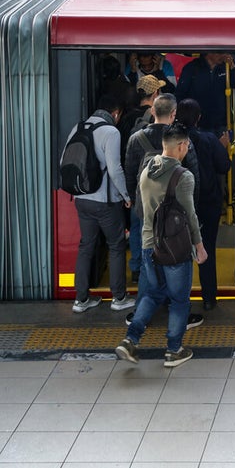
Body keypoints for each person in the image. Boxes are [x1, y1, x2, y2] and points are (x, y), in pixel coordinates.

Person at [115, 122, 208, 368]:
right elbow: (190, 215)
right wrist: (199, 246)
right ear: (181, 146)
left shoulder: (146, 170)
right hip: (175, 248)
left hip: (149, 244)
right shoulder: (183, 176)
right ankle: (173, 350)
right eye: (187, 145)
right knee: (179, 300)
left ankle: (130, 339)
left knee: (152, 293)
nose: (187, 149)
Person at [123, 93, 203, 328]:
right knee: (176, 260)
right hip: (176, 215)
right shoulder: (181, 139)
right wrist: (193, 210)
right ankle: (178, 313)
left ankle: (141, 314)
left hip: (146, 211)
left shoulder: (136, 139)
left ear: (153, 111)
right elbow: (194, 175)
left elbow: (130, 174)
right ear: (174, 114)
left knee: (148, 261)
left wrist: (137, 203)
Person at [67, 94, 136, 314]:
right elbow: (115, 169)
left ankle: (81, 300)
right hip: (105, 202)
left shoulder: (78, 128)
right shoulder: (111, 132)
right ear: (116, 113)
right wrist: (126, 196)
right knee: (116, 245)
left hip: (81, 199)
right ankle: (119, 297)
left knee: (86, 246)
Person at [176, 98, 232, 311]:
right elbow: (224, 166)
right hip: (208, 203)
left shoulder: (172, 140)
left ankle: (178, 299)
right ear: (198, 118)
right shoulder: (208, 139)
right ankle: (209, 298)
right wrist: (222, 147)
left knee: (178, 250)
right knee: (206, 248)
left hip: (179, 205)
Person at [118, 74, 166, 283]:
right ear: (155, 93)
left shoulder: (126, 118)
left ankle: (137, 268)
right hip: (154, 183)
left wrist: (128, 192)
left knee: (136, 226)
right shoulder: (154, 118)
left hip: (135, 183)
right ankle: (153, 268)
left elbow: (125, 157)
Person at [176, 53, 234, 136]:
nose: (223, 55)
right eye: (220, 51)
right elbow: (180, 94)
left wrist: (232, 69)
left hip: (221, 123)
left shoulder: (226, 67)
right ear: (209, 52)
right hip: (198, 123)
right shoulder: (191, 68)